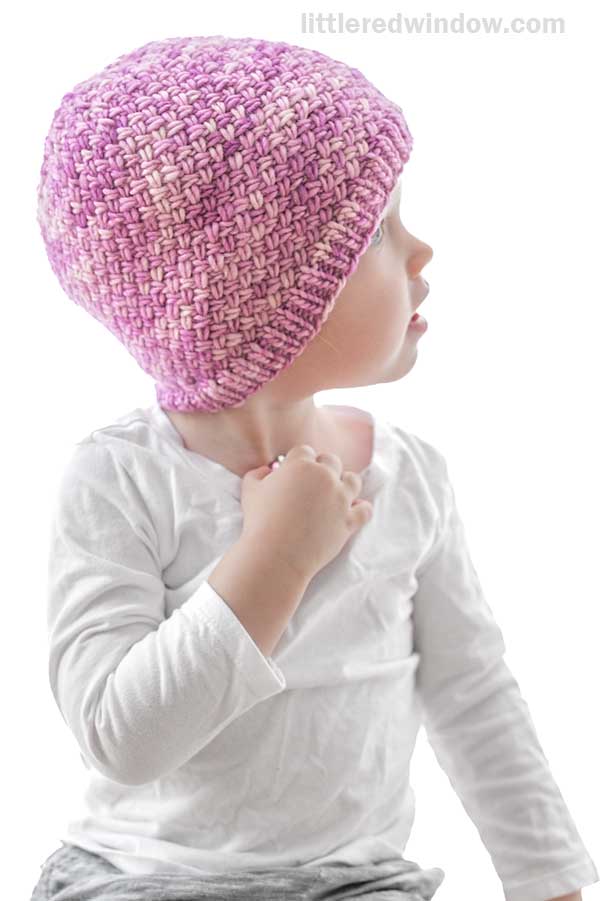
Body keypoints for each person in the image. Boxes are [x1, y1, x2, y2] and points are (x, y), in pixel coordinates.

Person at [30, 35, 597, 901]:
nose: (420, 253)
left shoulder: (409, 477)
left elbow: (475, 696)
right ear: (247, 294)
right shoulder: (118, 484)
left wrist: (553, 879)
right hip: (142, 879)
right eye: (377, 231)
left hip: (359, 883)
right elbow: (120, 735)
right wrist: (275, 558)